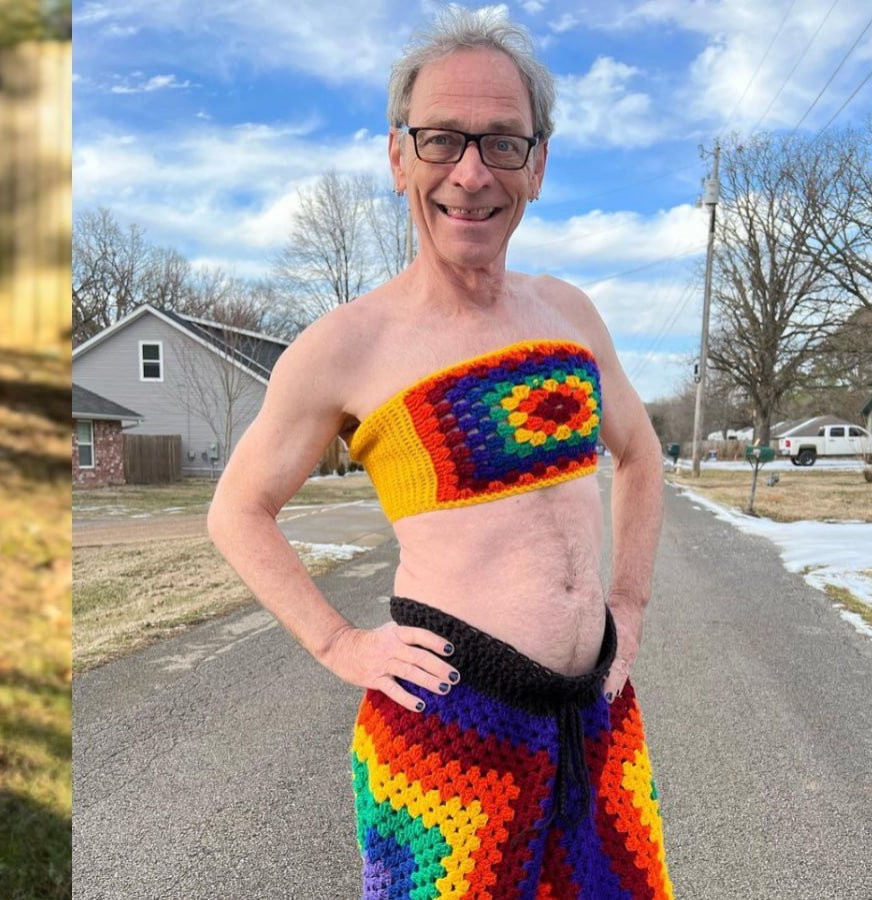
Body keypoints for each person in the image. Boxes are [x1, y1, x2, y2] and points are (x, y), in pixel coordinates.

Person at [207, 10, 674, 898]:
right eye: (441, 140)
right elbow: (236, 509)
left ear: (537, 164)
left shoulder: (569, 315)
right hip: (447, 736)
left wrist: (632, 604)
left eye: (502, 143)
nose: (469, 172)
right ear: (397, 158)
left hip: (597, 719)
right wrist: (340, 642)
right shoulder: (345, 347)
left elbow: (643, 458)